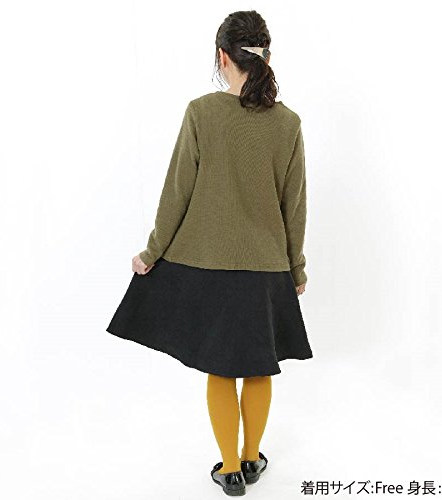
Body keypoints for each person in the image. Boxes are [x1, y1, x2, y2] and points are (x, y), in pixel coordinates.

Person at [106, 9, 313, 496]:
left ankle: (230, 469)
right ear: (265, 57)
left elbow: (176, 192)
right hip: (266, 268)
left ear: (223, 57)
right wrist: (296, 269)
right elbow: (295, 206)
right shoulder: (288, 124)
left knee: (221, 367)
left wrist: (152, 251)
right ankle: (252, 458)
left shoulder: (201, 112)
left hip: (209, 268)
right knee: (259, 364)